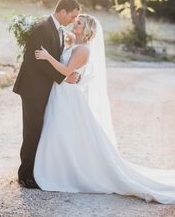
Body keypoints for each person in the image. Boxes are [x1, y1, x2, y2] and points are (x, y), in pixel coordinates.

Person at [33, 14, 175, 204]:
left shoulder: (83, 49)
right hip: (60, 93)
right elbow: (65, 35)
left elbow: (67, 72)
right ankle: (57, 168)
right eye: (76, 21)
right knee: (59, 131)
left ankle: (61, 172)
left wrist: (48, 57)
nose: (76, 23)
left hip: (68, 96)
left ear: (87, 30)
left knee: (60, 131)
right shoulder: (76, 42)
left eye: (80, 23)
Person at [13, 0, 81, 188]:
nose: (73, 20)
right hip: (32, 89)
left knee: (39, 130)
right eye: (72, 16)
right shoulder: (43, 28)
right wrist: (64, 77)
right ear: (63, 12)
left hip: (43, 89)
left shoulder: (57, 29)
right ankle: (25, 176)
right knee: (32, 131)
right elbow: (39, 60)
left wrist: (70, 73)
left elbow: (58, 58)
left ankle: (34, 171)